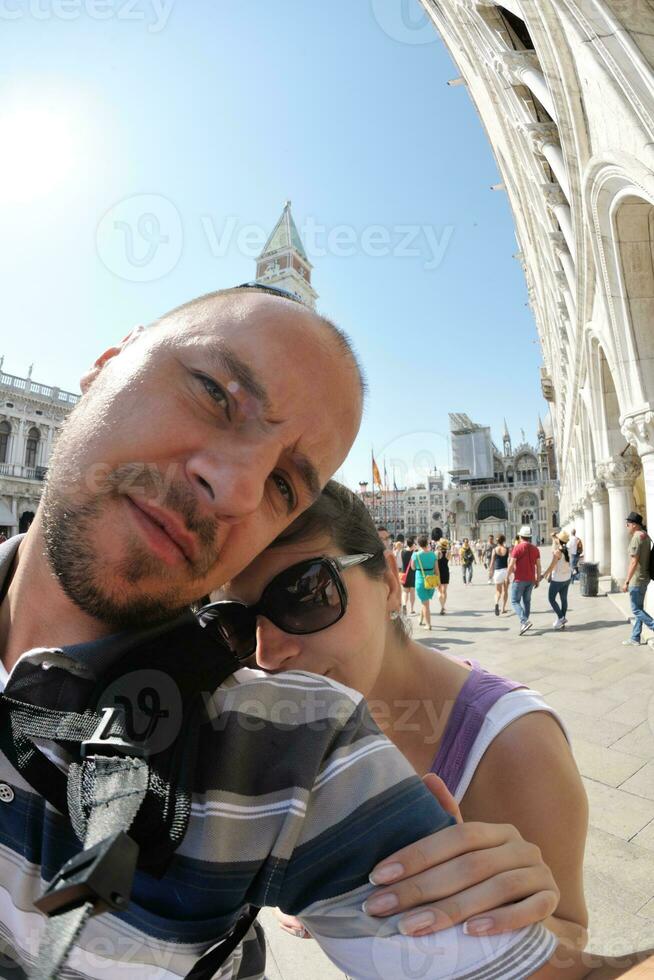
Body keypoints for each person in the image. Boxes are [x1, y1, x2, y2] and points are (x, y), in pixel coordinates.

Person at [0, 284, 520, 980]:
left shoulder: (292, 750)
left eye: (283, 487)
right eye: (217, 394)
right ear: (104, 365)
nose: (236, 488)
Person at [214, 482, 654, 977]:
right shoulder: (281, 729)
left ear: (388, 581)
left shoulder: (513, 746)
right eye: (232, 623)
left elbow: (570, 936)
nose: (267, 656)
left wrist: (497, 911)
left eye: (305, 595)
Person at [622, 511, 654, 648]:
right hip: (645, 577)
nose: (626, 526)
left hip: (637, 579)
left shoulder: (636, 537)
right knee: (639, 609)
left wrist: (626, 581)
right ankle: (635, 637)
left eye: (628, 524)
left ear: (634, 525)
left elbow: (634, 562)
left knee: (636, 610)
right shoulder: (645, 536)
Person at [508, 524, 542, 635]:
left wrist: (507, 577)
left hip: (519, 579)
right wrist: (537, 579)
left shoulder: (517, 548)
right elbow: (539, 566)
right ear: (530, 537)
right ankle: (525, 623)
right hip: (531, 579)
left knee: (514, 601)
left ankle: (524, 621)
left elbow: (511, 564)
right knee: (527, 602)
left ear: (520, 536)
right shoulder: (535, 549)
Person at [542, 531, 572, 630]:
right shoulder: (568, 550)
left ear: (559, 540)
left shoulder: (557, 552)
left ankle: (561, 617)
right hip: (567, 578)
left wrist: (544, 575)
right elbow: (559, 541)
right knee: (564, 599)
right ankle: (561, 621)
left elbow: (551, 566)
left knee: (551, 599)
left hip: (558, 579)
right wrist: (554, 537)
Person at [412, 533, 438, 630]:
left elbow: (413, 567)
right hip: (431, 581)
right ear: (427, 543)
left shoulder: (416, 555)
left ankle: (428, 624)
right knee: (425, 601)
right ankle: (421, 619)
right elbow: (437, 570)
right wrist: (438, 582)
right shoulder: (433, 554)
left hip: (420, 581)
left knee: (425, 603)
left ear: (418, 544)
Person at [489, 533, 510, 615]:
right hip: (505, 571)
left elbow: (492, 562)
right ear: (504, 540)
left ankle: (496, 603)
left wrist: (490, 572)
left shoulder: (494, 549)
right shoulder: (507, 549)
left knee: (498, 591)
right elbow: (509, 561)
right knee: (505, 591)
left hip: (497, 572)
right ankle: (503, 608)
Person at [400, 535, 417, 615]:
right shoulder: (414, 553)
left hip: (404, 573)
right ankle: (412, 609)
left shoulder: (403, 552)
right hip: (412, 574)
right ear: (413, 544)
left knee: (405, 591)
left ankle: (404, 605)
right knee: (412, 591)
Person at [436, 537, 450, 615]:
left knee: (439, 590)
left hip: (438, 572)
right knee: (444, 590)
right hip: (446, 572)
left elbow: (435, 562)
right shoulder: (448, 553)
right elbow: (449, 560)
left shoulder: (437, 553)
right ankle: (443, 606)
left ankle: (441, 606)